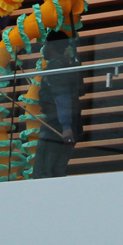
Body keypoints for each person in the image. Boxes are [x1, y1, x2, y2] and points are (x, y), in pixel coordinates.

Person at [33, 30, 83, 179]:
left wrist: (66, 126)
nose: (44, 49)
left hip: (56, 127)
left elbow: (62, 96)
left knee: (43, 172)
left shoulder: (56, 67)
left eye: (46, 45)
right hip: (69, 126)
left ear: (51, 46)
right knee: (56, 172)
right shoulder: (69, 65)